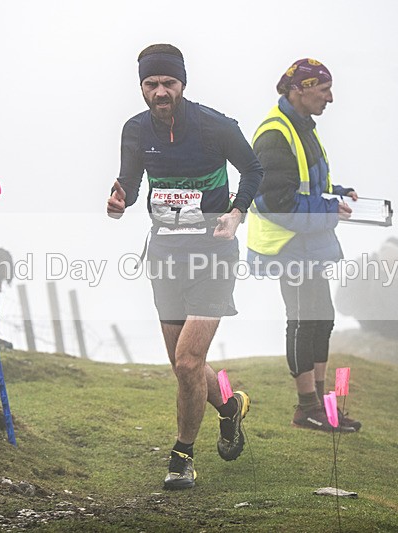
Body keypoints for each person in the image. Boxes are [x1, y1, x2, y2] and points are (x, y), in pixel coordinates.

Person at [106, 43, 263, 490]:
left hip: (213, 257)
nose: (160, 92)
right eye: (151, 84)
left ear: (182, 84)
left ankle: (181, 457)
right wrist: (120, 201)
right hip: (165, 257)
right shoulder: (135, 131)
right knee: (182, 365)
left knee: (190, 359)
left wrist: (235, 213)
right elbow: (131, 184)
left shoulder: (215, 126)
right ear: (141, 87)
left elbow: (253, 170)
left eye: (168, 83)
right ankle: (231, 407)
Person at [247, 58, 361, 433]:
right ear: (300, 89)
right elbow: (276, 203)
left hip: (308, 244)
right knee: (301, 320)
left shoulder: (302, 127)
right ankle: (306, 407)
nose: (331, 97)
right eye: (324, 89)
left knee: (321, 318)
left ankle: (325, 406)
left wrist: (337, 193)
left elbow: (306, 186)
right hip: (286, 246)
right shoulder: (275, 133)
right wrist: (330, 210)